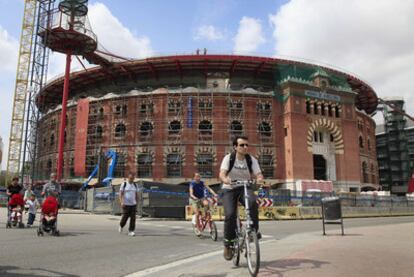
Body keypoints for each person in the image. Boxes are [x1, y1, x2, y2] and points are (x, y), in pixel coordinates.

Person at [219, 135, 265, 261]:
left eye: (246, 145)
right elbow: (222, 174)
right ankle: (228, 244)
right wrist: (226, 180)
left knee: (253, 203)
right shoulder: (228, 158)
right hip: (229, 189)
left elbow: (258, 174)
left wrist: (260, 179)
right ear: (235, 147)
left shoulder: (251, 159)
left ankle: (253, 232)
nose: (245, 147)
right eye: (242, 145)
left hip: (245, 187)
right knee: (230, 214)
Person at [119, 172, 139, 237]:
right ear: (128, 177)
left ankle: (131, 231)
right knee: (125, 217)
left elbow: (136, 195)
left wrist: (137, 203)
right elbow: (121, 194)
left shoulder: (135, 185)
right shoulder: (124, 184)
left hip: (133, 204)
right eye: (130, 178)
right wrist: (121, 202)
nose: (132, 179)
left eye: (133, 178)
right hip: (126, 204)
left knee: (133, 218)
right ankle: (121, 225)